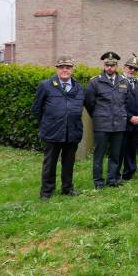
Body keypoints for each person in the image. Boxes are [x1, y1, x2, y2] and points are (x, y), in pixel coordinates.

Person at [32, 55, 85, 199]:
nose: (65, 70)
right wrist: (47, 124)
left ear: (72, 70)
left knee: (69, 163)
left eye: (68, 67)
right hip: (52, 132)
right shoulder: (45, 85)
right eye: (61, 67)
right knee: (50, 163)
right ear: (57, 69)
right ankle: (47, 192)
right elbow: (37, 109)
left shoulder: (79, 87)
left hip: (72, 132)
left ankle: (67, 188)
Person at [84, 51, 127, 188]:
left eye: (112, 65)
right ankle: (98, 181)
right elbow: (89, 103)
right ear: (104, 65)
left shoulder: (123, 82)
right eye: (107, 65)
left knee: (115, 154)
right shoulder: (95, 82)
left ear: (116, 66)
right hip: (102, 124)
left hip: (119, 124)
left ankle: (112, 179)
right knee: (99, 155)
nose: (110, 68)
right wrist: (98, 115)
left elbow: (126, 101)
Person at [119, 54, 138, 181]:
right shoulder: (119, 82)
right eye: (130, 67)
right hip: (123, 122)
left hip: (137, 123)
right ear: (124, 67)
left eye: (135, 69)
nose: (132, 70)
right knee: (120, 149)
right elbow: (119, 104)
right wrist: (130, 117)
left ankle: (129, 172)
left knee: (132, 148)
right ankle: (116, 173)